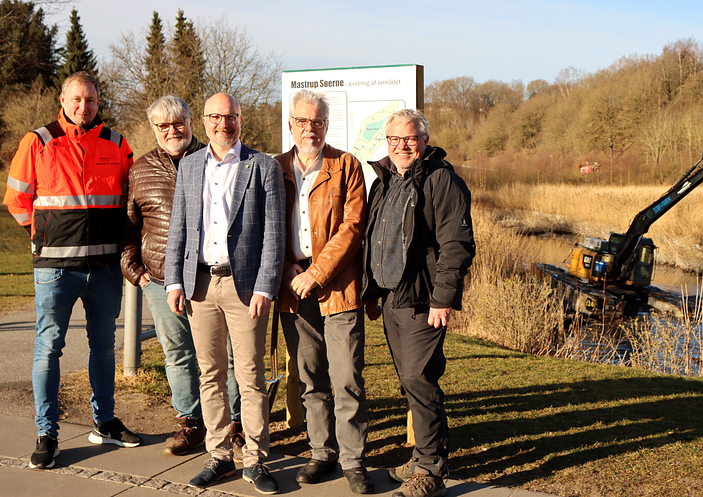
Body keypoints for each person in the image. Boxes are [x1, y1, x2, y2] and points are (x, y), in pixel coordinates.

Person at [3, 71, 141, 470]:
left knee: (103, 346)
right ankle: (47, 432)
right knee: (49, 348)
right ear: (62, 100)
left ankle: (106, 423)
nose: (84, 107)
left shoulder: (117, 143)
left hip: (104, 269)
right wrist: (42, 236)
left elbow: (131, 200)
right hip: (54, 269)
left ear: (99, 104)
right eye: (77, 99)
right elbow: (16, 199)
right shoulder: (38, 141)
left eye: (92, 101)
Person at [164, 92, 285, 493]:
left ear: (240, 119)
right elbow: (179, 228)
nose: (223, 124)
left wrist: (266, 285)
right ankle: (219, 456)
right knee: (210, 375)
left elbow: (273, 234)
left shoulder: (262, 166)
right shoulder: (190, 165)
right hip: (199, 285)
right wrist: (174, 280)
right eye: (215, 117)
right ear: (203, 120)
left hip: (244, 287)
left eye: (230, 116)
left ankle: (256, 460)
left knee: (249, 377)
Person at [121, 95, 245, 457]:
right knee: (177, 351)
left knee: (227, 352)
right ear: (154, 130)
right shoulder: (141, 169)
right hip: (160, 278)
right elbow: (129, 227)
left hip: (211, 276)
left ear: (193, 122)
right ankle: (190, 421)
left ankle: (235, 421)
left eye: (179, 123)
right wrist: (137, 273)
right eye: (163, 126)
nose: (172, 131)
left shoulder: (216, 159)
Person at [362, 109, 475, 497]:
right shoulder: (387, 179)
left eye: (410, 138)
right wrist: (373, 292)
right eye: (394, 139)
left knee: (418, 379)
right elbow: (379, 239)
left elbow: (456, 246)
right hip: (394, 299)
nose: (402, 145)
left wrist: (443, 299)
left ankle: (430, 470)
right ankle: (423, 455)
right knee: (411, 381)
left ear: (425, 140)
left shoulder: (443, 181)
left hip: (423, 300)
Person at [276, 89, 371, 493]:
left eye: (317, 122)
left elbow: (353, 227)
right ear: (291, 125)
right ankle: (321, 452)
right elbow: (265, 227)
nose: (309, 129)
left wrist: (315, 273)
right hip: (292, 290)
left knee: (346, 377)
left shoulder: (346, 165)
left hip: (338, 288)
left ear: (326, 125)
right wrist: (284, 267)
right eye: (302, 121)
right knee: (309, 376)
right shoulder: (273, 168)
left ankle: (353, 460)